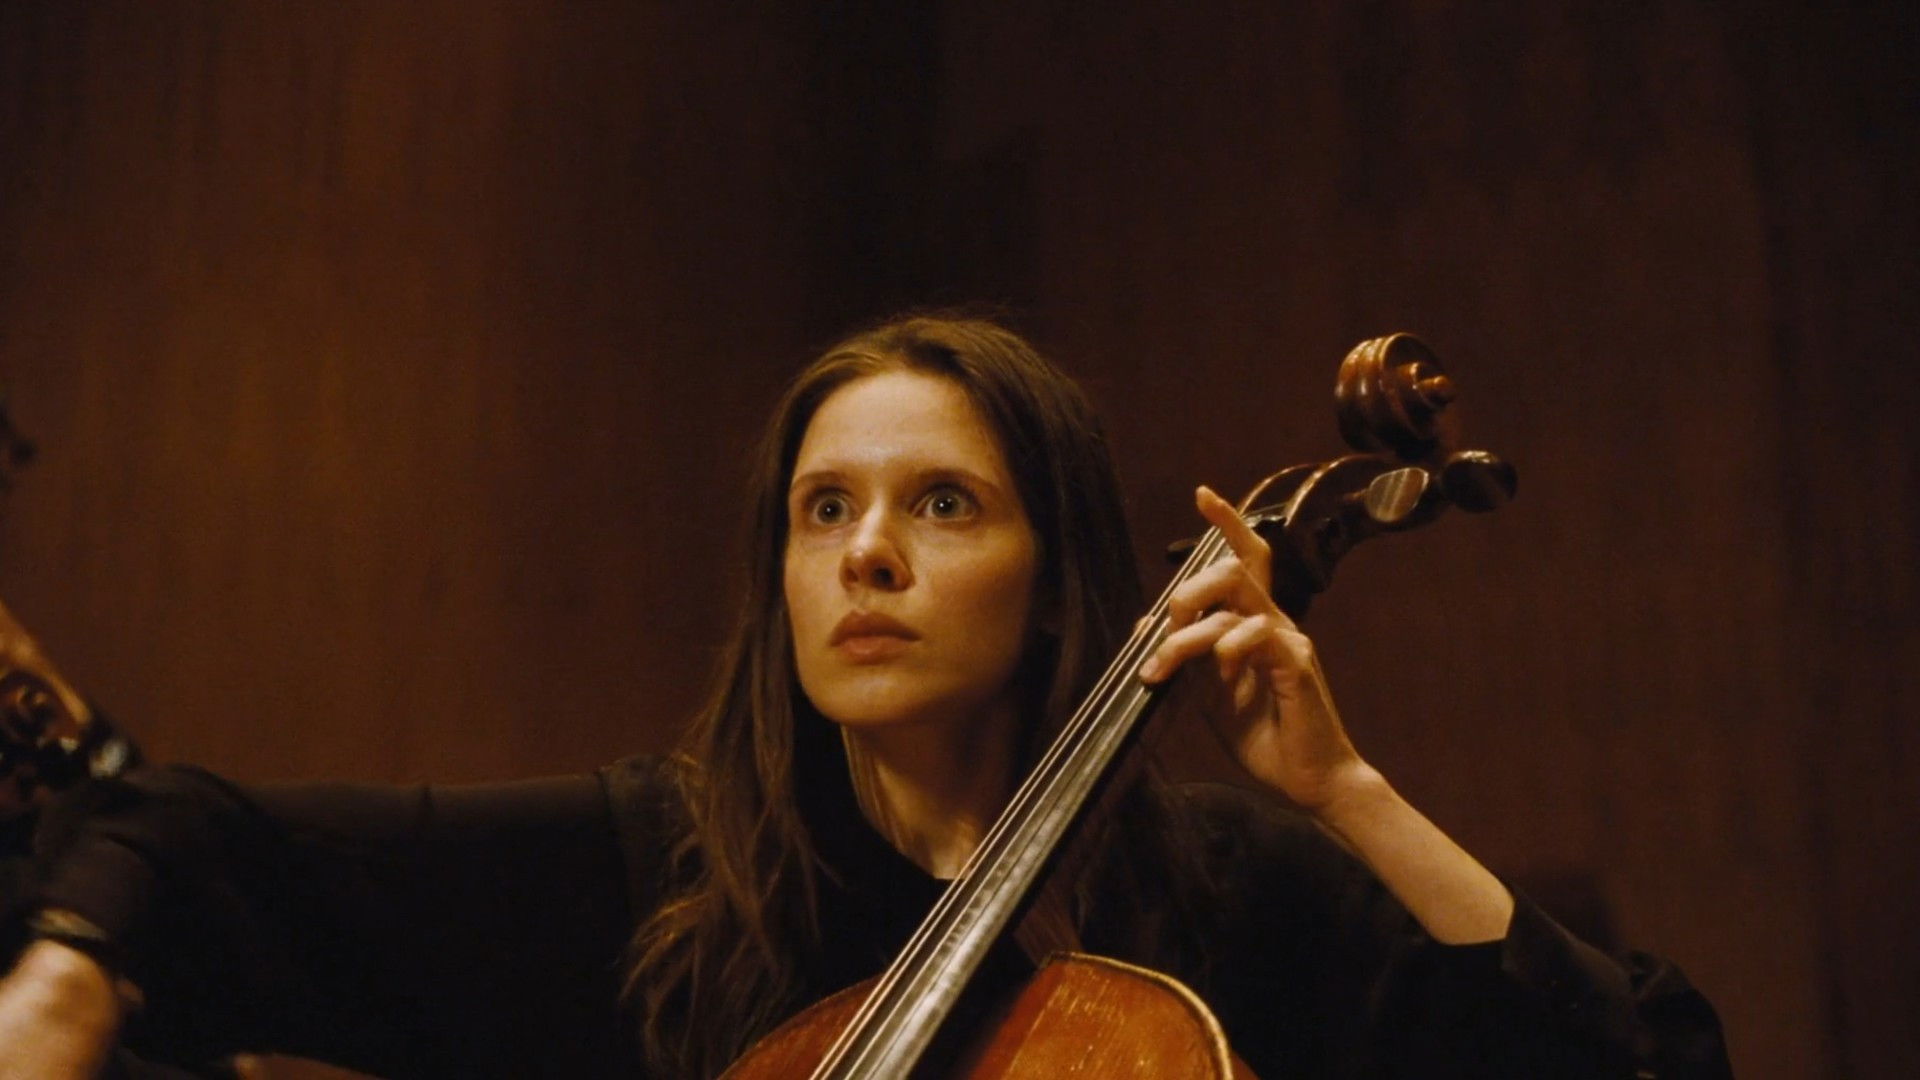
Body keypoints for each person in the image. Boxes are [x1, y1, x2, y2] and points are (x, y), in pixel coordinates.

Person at [0, 314, 1730, 1078]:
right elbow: (185, 835)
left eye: (943, 505)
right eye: (824, 510)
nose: (867, 555)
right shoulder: (663, 875)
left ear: (1056, 575)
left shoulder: (1223, 897)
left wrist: (1343, 789)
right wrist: (69, 983)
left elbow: (1636, 1062)